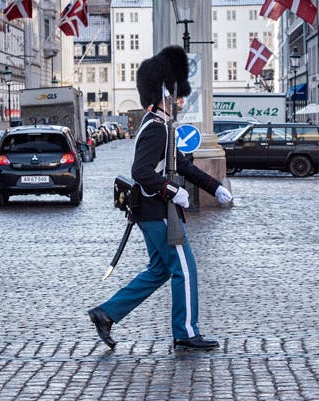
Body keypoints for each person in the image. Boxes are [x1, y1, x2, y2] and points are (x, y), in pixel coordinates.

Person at [87, 46, 233, 351]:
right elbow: (142, 172)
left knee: (160, 270)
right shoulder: (156, 129)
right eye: (174, 97)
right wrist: (172, 191)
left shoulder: (160, 127)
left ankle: (107, 313)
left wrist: (214, 186)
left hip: (152, 211)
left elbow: (182, 164)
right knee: (185, 268)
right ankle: (185, 331)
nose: (179, 102)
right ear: (161, 97)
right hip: (158, 210)